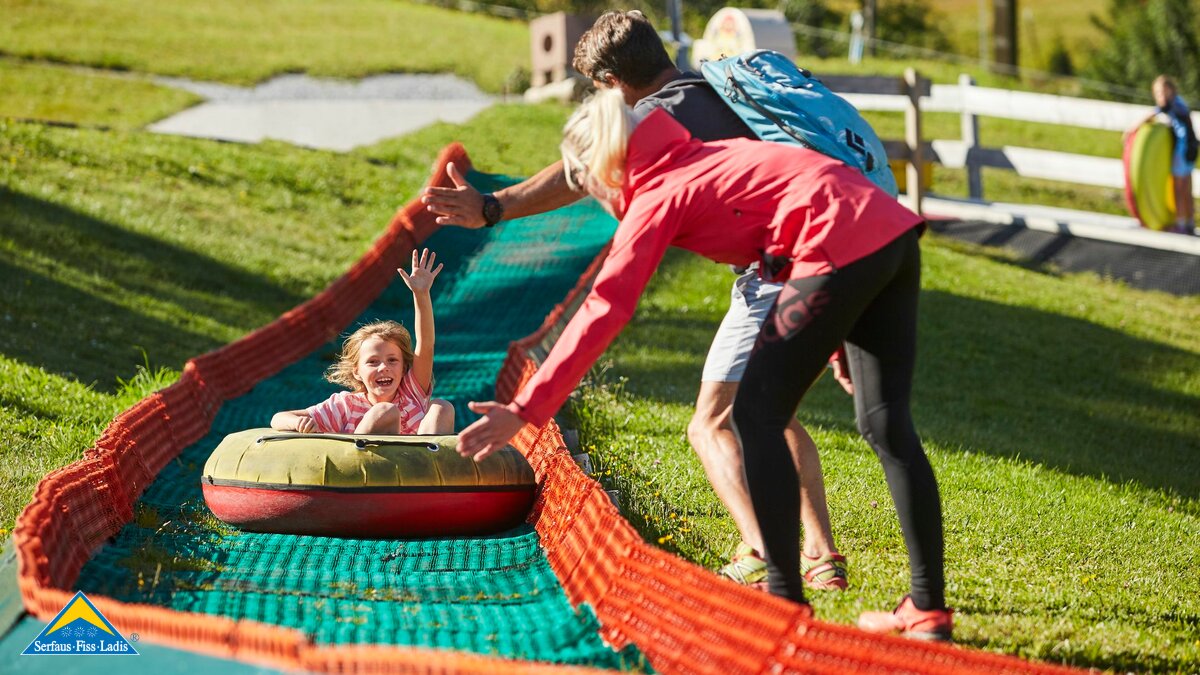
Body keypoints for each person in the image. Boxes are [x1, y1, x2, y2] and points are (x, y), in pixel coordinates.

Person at [456, 89, 953, 640]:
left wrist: (525, 409)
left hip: (837, 242)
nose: (592, 196)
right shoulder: (704, 157)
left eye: (586, 183)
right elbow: (806, 211)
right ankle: (927, 608)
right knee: (886, 425)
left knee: (755, 417)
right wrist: (837, 341)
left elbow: (606, 306)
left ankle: (784, 605)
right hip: (889, 232)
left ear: (603, 168)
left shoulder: (661, 192)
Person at [422, 9, 847, 592]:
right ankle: (820, 557)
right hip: (831, 244)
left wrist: (495, 207)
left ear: (610, 85)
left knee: (711, 422)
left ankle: (766, 553)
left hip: (775, 270)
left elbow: (582, 182)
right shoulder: (715, 87)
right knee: (773, 413)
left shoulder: (653, 120)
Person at [271, 248, 455, 435]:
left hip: (416, 461)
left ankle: (429, 460)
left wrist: (421, 294)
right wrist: (299, 423)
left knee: (442, 406)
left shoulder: (411, 394)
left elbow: (426, 345)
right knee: (385, 411)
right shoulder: (345, 406)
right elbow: (278, 418)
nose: (383, 367)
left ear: (404, 368)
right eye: (373, 362)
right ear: (357, 372)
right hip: (363, 463)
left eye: (392, 360)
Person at [1134, 75, 1197, 235]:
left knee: (1179, 189)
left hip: (1182, 151)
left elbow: (1155, 112)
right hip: (1192, 148)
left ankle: (1181, 224)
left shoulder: (1172, 105)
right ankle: (1189, 222)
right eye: (1158, 93)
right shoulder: (1180, 103)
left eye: (1164, 92)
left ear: (1172, 91)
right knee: (1187, 188)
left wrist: (1133, 128)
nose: (1161, 97)